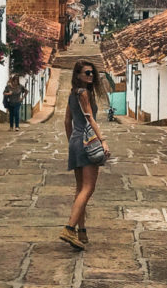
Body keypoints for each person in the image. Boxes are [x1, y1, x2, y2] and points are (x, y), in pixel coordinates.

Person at [60, 60, 110, 250]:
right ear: (78, 75)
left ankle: (81, 231)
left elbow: (67, 121)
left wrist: (72, 141)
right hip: (87, 141)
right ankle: (69, 229)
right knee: (89, 188)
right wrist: (102, 140)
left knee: (80, 188)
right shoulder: (84, 94)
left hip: (75, 140)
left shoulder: (73, 93)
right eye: (87, 73)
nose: (91, 76)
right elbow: (90, 118)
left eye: (92, 73)